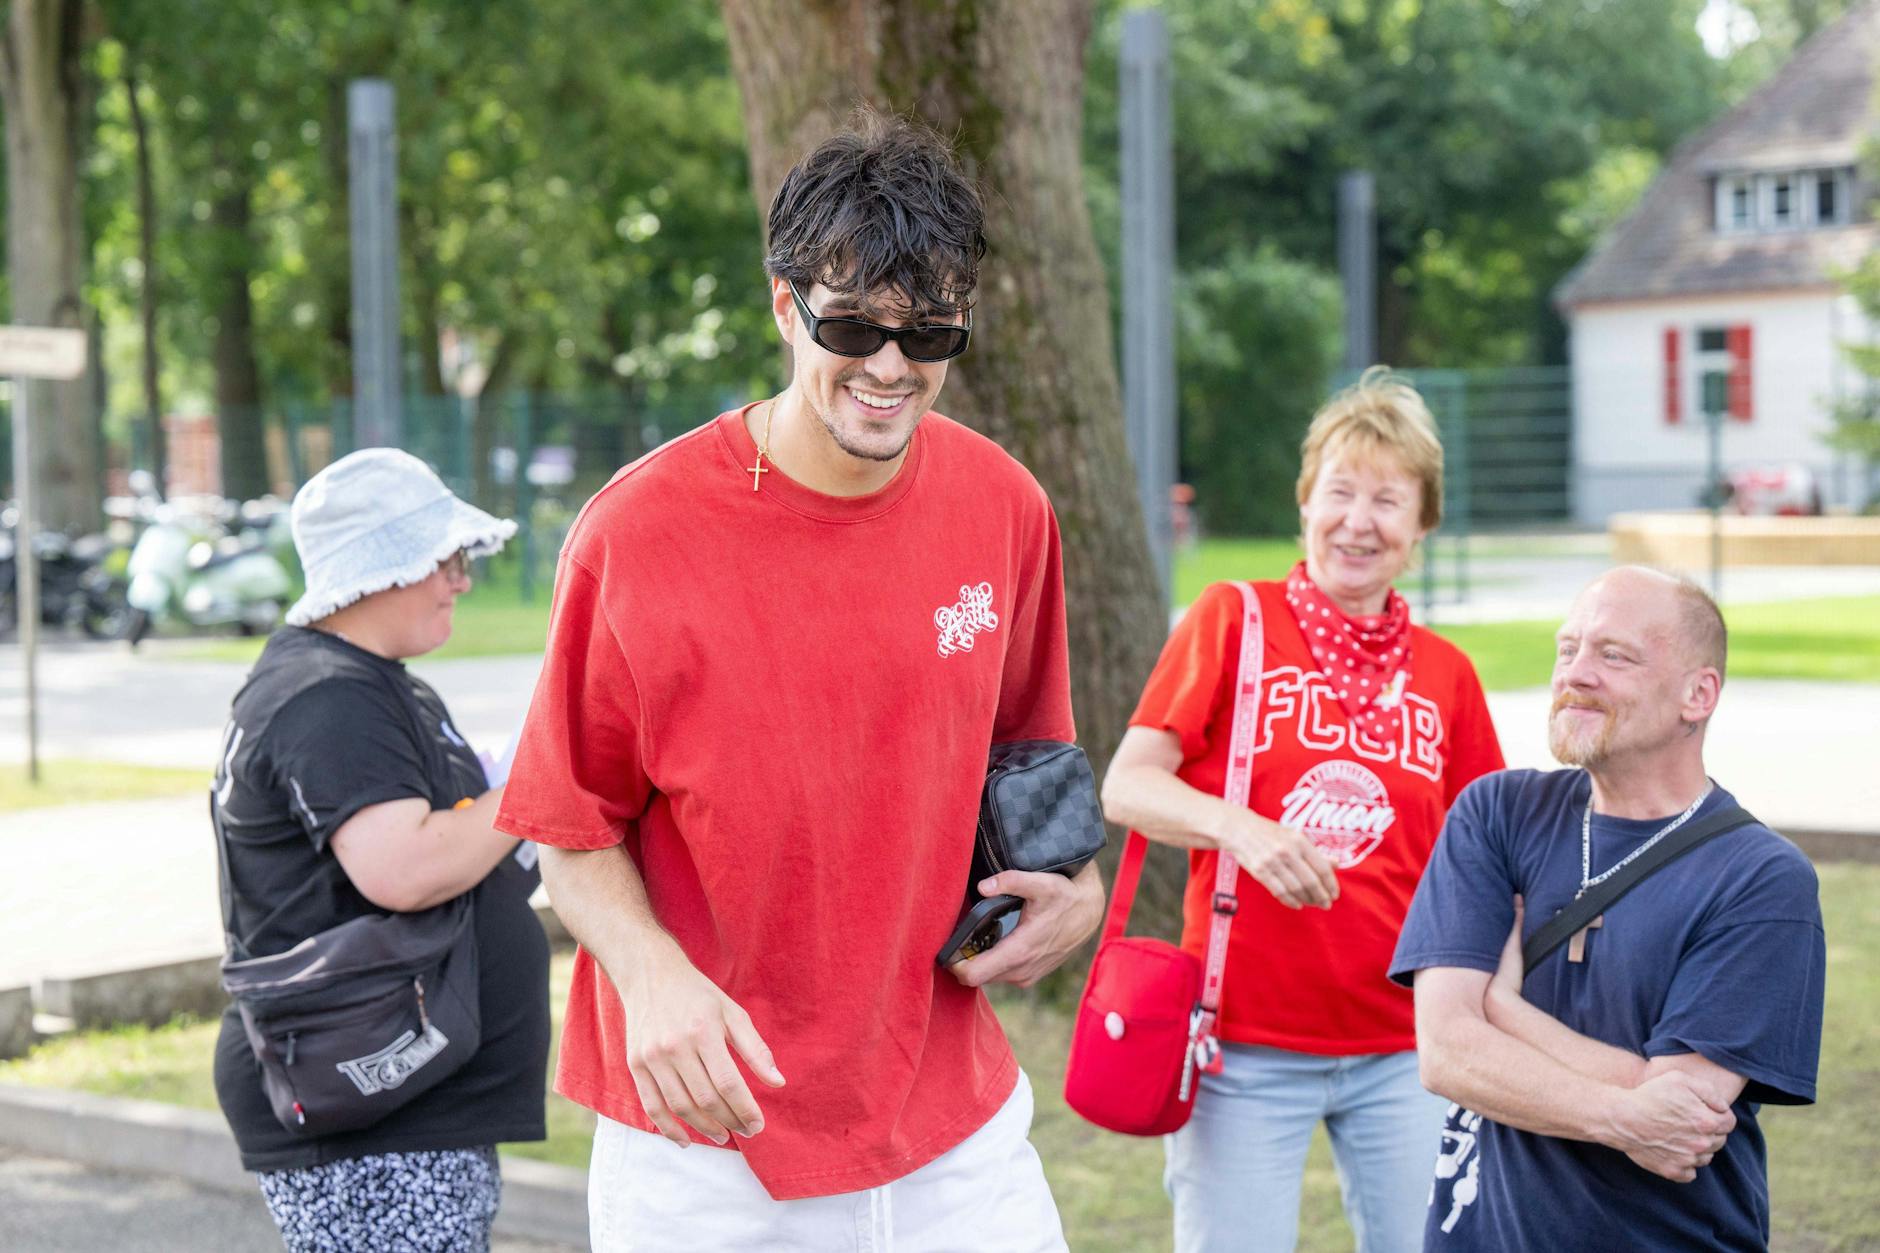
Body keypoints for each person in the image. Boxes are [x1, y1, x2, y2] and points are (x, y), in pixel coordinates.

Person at [494, 114, 1101, 1250]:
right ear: (784, 307)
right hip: (708, 1136)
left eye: (927, 335)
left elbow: (1029, 760)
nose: (888, 365)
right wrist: (650, 976)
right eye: (852, 324)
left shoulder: (1006, 507)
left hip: (951, 1126)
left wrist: (1078, 888)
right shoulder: (636, 533)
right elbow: (567, 827)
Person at [1102, 369, 1506, 1253]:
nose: (1359, 521)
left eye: (1388, 500)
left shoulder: (1447, 676)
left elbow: (1485, 860)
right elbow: (1127, 784)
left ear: (1421, 528)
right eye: (1341, 491)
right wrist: (1237, 825)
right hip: (1242, 1047)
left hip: (1409, 1048)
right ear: (1306, 502)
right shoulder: (1232, 621)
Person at [1390, 567, 1825, 1250]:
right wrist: (1626, 1111)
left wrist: (1499, 1006)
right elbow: (1446, 1052)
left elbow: (1685, 1113)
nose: (1576, 673)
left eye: (1613, 654)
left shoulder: (1761, 879)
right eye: (1569, 649)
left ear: (1697, 693)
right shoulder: (1497, 813)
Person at [210, 448, 550, 1253]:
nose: (461, 579)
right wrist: (547, 778)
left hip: (400, 1098)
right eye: (447, 559)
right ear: (382, 566)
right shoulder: (329, 698)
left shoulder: (365, 681)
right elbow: (407, 867)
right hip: (373, 1112)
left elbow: (464, 839)